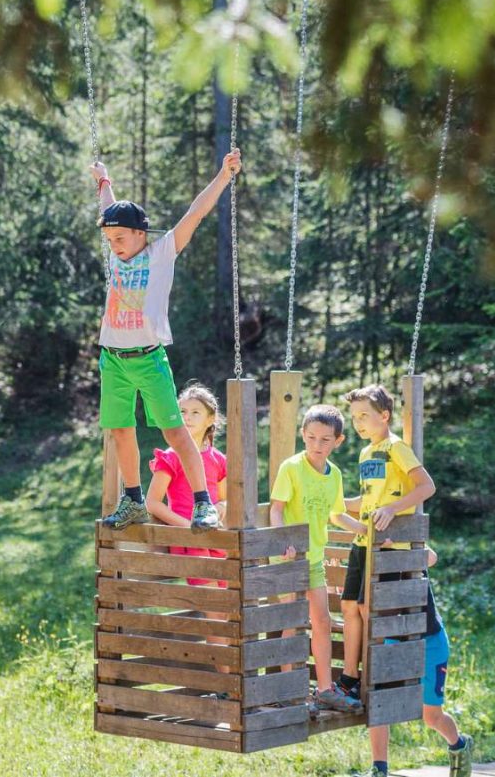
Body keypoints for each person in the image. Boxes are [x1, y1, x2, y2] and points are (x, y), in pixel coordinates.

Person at [94, 150, 242, 533]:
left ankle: (203, 502)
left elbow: (196, 213)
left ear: (141, 234)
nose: (115, 245)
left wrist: (223, 176)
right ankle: (132, 499)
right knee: (120, 429)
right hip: (113, 359)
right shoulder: (115, 257)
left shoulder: (162, 253)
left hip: (148, 357)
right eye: (110, 239)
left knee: (174, 431)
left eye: (121, 238)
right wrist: (104, 180)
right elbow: (111, 207)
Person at [330, 384, 436, 704]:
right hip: (363, 541)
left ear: (385, 415)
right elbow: (368, 500)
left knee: (368, 608)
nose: (359, 423)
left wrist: (393, 508)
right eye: (355, 418)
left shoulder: (395, 447)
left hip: (389, 547)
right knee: (349, 606)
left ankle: (376, 678)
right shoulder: (365, 452)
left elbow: (426, 486)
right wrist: (332, 502)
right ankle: (349, 677)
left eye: (365, 416)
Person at [270, 404, 361, 712]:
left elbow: (337, 514)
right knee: (293, 622)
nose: (317, 445)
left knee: (321, 620)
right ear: (302, 435)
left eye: (325, 439)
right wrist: (283, 541)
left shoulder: (333, 474)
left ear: (338, 440)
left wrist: (364, 529)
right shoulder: (291, 467)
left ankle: (324, 689)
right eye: (311, 438)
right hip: (288, 561)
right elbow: (276, 509)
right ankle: (291, 690)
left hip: (315, 558)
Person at [353, 547, 475, 777]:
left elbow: (432, 557)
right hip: (393, 641)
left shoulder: (408, 549)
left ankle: (459, 745)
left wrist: (401, 545)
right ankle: (379, 769)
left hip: (431, 642)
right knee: (381, 703)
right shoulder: (374, 563)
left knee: (431, 716)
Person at [146, 384, 229, 657]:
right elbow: (153, 503)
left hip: (217, 542)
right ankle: (225, 685)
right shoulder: (171, 457)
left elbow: (224, 499)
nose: (188, 417)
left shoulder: (219, 459)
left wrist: (219, 510)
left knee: (227, 612)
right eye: (182, 411)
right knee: (215, 614)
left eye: (196, 412)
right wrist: (188, 526)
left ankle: (231, 682)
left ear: (211, 420)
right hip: (190, 543)